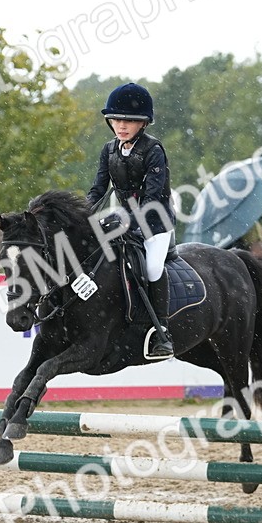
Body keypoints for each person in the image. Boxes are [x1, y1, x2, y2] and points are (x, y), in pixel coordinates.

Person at [86, 82, 176, 359]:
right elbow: (98, 190)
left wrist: (130, 224)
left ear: (143, 123)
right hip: (123, 217)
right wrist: (82, 216)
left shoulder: (153, 150)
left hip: (156, 221)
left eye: (129, 120)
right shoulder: (109, 150)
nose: (121, 125)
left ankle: (162, 332)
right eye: (116, 120)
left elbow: (152, 197)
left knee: (152, 268)